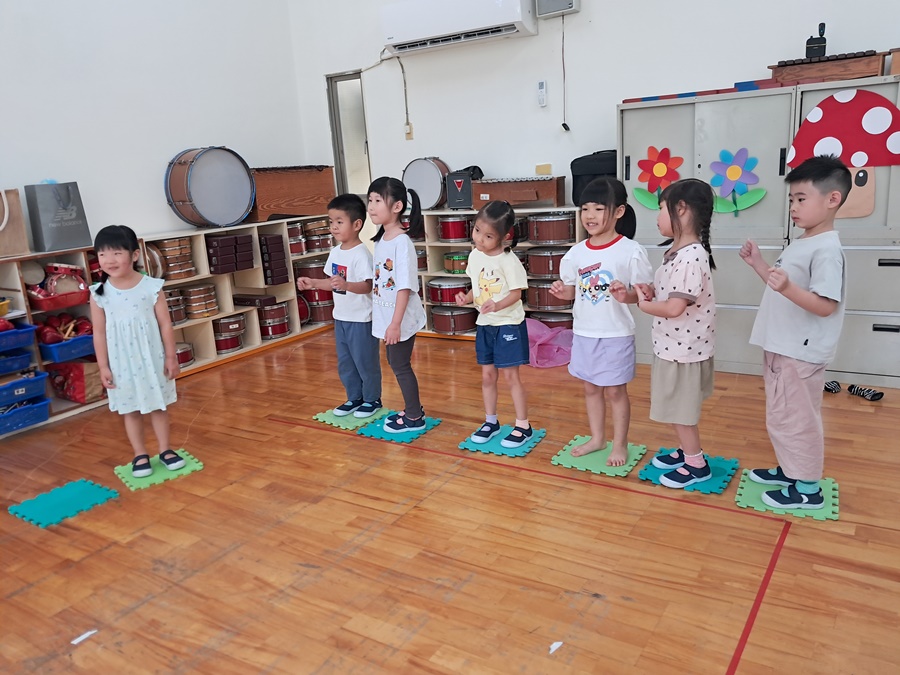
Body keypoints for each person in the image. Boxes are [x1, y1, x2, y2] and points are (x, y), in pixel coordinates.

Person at [740, 155, 849, 509]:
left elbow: (825, 305)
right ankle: (792, 470)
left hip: (799, 351)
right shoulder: (803, 242)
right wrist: (759, 264)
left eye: (801, 199)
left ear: (832, 199)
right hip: (782, 345)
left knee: (798, 419)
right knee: (782, 415)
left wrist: (787, 287)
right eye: (792, 200)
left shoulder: (827, 249)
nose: (794, 207)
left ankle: (808, 488)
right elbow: (780, 285)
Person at [550, 178, 654, 465]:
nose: (590, 216)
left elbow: (644, 294)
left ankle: (619, 445)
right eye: (585, 209)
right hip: (584, 333)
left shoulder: (630, 250)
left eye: (598, 208)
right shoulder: (576, 253)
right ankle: (597, 439)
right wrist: (562, 292)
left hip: (616, 334)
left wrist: (626, 294)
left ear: (619, 211)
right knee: (590, 388)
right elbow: (573, 291)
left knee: (616, 391)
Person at [635, 179, 717, 488]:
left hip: (684, 350)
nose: (657, 217)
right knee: (674, 405)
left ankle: (696, 464)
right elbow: (669, 294)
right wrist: (644, 292)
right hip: (673, 346)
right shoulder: (677, 253)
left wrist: (643, 305)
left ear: (680, 209)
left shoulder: (691, 256)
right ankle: (686, 451)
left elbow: (673, 308)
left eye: (660, 209)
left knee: (681, 412)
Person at [89, 225, 184, 478]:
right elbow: (99, 333)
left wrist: (171, 357)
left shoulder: (151, 287)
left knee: (158, 406)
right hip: (121, 364)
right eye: (102, 254)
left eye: (117, 253)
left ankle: (165, 450)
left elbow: (165, 324)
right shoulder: (98, 293)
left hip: (152, 359)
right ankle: (140, 454)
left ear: (134, 255)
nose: (109, 260)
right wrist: (103, 366)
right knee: (129, 409)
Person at [455, 201, 532, 448]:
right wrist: (466, 298)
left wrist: (497, 306)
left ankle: (523, 426)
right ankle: (491, 421)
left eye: (488, 236)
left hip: (508, 324)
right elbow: (477, 287)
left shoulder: (509, 261)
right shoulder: (475, 255)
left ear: (504, 236)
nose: (479, 238)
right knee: (487, 376)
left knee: (511, 376)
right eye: (477, 230)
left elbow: (516, 294)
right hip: (485, 323)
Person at [296, 194, 381, 418]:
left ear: (357, 224)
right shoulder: (335, 252)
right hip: (341, 317)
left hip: (361, 319)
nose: (333, 227)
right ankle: (355, 397)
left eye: (339, 222)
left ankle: (372, 399)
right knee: (346, 362)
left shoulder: (361, 254)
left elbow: (367, 286)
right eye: (331, 222)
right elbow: (332, 283)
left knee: (365, 361)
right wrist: (314, 283)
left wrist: (347, 285)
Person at [368, 176, 428, 433]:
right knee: (395, 362)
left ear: (397, 206)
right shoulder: (382, 239)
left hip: (400, 318)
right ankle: (413, 409)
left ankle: (414, 417)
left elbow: (404, 287)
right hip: (388, 315)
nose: (371, 206)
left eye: (377, 201)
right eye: (370, 200)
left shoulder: (402, 243)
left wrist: (394, 324)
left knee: (400, 365)